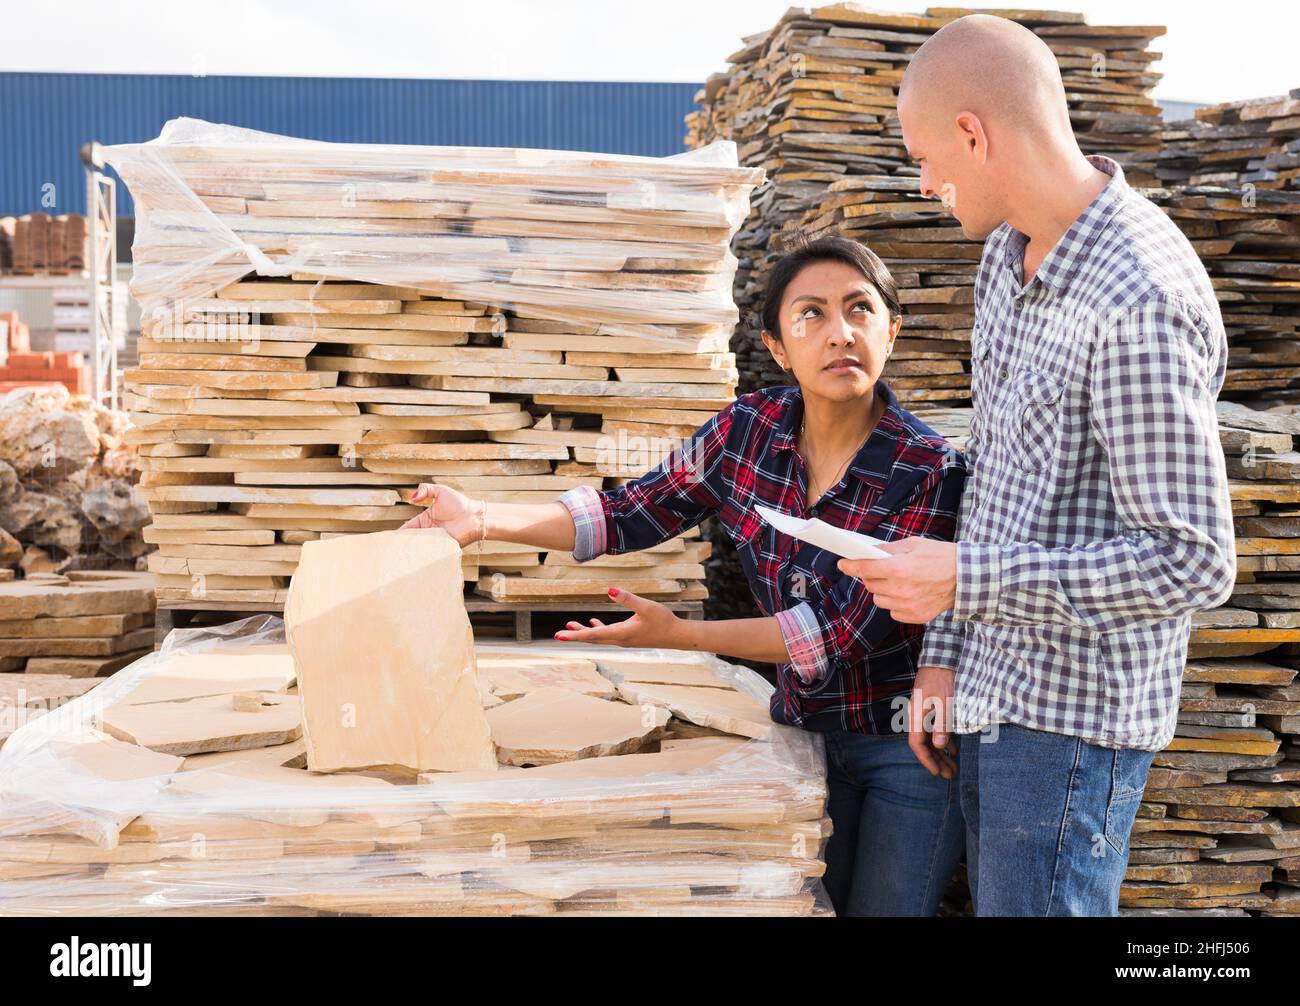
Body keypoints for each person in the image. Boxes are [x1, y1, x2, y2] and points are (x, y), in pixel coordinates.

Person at [401, 234, 967, 916]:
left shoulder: (927, 468)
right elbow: (629, 512)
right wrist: (483, 519)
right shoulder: (747, 433)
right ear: (779, 346)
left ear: (892, 328)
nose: (840, 333)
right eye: (811, 314)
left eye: (859, 310)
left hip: (904, 748)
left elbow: (837, 633)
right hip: (800, 736)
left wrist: (679, 634)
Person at [836, 15, 1236, 916]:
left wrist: (966, 581)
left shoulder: (1138, 296)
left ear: (973, 134)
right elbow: (995, 475)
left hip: (1074, 733)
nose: (925, 183)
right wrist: (944, 653)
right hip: (993, 697)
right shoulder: (1003, 258)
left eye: (926, 157)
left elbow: (1193, 558)